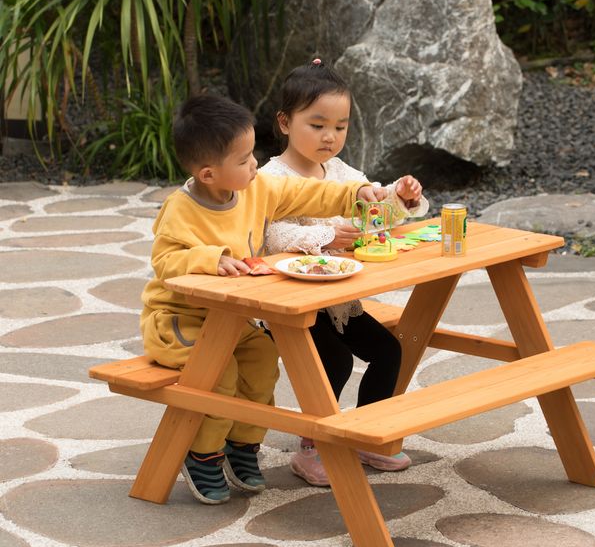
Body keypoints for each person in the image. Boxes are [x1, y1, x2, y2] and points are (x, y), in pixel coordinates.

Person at [140, 92, 406, 505]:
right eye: (244, 159)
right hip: (180, 321)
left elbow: (308, 195)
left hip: (235, 318)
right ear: (209, 174)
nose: (254, 164)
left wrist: (357, 193)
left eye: (253, 154)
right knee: (220, 375)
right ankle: (203, 453)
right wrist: (211, 258)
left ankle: (243, 446)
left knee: (263, 364)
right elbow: (166, 260)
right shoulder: (181, 209)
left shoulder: (257, 188)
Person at [261, 59, 429, 486]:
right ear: (285, 122)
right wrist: (329, 233)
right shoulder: (268, 178)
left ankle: (370, 435)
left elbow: (373, 212)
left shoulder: (343, 174)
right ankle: (313, 444)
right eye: (317, 125)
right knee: (332, 361)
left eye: (340, 126)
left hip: (337, 298)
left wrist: (399, 198)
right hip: (287, 302)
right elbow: (273, 235)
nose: (329, 137)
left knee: (389, 350)